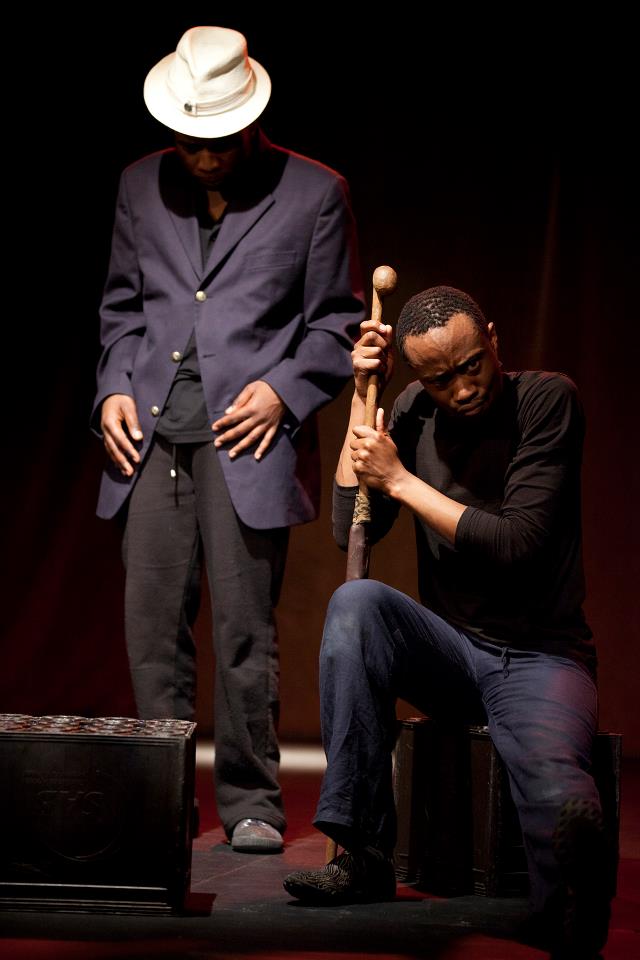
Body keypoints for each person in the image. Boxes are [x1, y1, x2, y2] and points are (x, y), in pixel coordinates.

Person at [92, 26, 364, 853]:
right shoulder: (140, 186)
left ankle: (252, 803)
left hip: (247, 443)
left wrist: (282, 392)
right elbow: (121, 309)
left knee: (244, 633)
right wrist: (112, 387)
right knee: (151, 633)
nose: (204, 158)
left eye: (218, 142)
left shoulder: (315, 193)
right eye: (190, 142)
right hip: (151, 440)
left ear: (249, 122)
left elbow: (336, 325)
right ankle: (162, 804)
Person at [283, 286, 613, 957]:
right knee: (357, 604)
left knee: (556, 785)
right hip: (454, 652)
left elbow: (516, 542)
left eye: (471, 366)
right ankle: (362, 854)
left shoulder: (547, 399)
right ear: (418, 378)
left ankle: (570, 900)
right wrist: (363, 396)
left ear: (493, 340)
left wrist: (401, 479)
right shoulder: (411, 410)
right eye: (439, 379)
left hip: (541, 656)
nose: (462, 389)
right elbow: (350, 524)